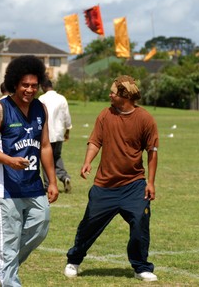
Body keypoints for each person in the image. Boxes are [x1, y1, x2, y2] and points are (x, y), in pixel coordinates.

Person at [64, 75, 159, 282]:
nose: (109, 95)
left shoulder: (145, 119)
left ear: (124, 96)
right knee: (88, 226)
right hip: (104, 185)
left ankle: (141, 267)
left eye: (113, 93)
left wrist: (150, 182)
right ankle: (74, 260)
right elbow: (95, 141)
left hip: (134, 185)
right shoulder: (105, 115)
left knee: (140, 223)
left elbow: (152, 152)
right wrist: (87, 161)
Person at [0, 55, 59, 286]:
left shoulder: (40, 108)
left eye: (34, 85)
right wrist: (9, 161)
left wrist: (52, 181)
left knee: (41, 225)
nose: (30, 89)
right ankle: (9, 277)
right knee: (9, 238)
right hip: (7, 187)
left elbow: (45, 146)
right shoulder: (0, 109)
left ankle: (6, 262)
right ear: (15, 83)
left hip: (34, 185)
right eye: (25, 85)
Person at [39, 79, 73, 193]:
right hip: (58, 133)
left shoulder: (41, 99)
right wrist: (67, 130)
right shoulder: (61, 98)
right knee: (56, 157)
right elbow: (66, 116)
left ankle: (48, 184)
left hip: (46, 134)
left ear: (43, 87)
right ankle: (64, 177)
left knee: (45, 158)